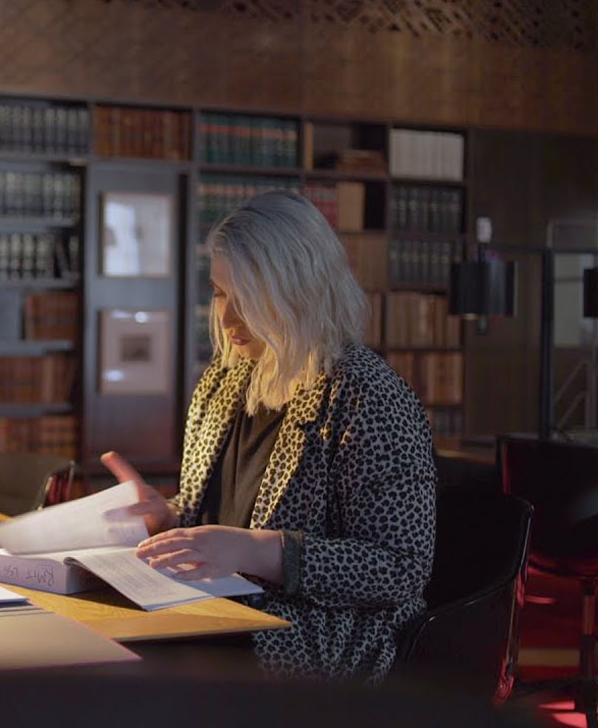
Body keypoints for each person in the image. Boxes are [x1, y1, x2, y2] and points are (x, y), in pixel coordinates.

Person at [102, 190, 435, 683]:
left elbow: (399, 568)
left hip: (314, 636)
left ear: (302, 292)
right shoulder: (224, 381)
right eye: (220, 293)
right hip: (215, 608)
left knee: (126, 671)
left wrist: (261, 550)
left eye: (248, 299)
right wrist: (167, 518)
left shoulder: (368, 395)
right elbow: (215, 522)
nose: (227, 318)